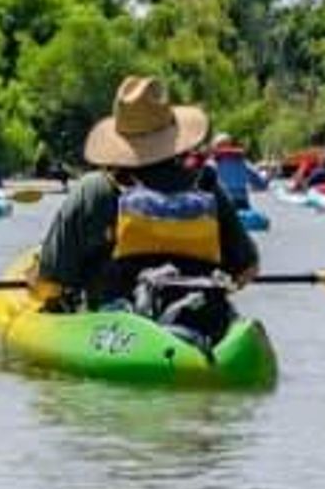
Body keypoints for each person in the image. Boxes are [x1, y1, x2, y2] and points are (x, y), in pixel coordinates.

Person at [35, 75, 260, 337]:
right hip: (202, 323)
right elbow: (247, 269)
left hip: (118, 333)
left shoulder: (94, 189)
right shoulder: (207, 185)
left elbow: (52, 280)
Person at [208, 133, 266, 211]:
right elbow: (260, 183)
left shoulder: (210, 163)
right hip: (241, 201)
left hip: (219, 203)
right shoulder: (242, 161)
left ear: (214, 148)